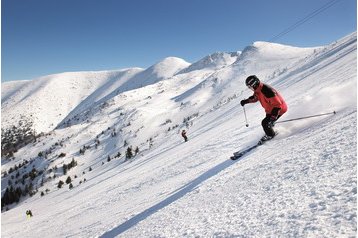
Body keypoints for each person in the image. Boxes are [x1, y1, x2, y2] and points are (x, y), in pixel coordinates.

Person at [240, 75, 287, 142]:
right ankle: (270, 130)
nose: (250, 88)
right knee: (267, 123)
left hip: (279, 109)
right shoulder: (258, 90)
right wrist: (246, 101)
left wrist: (273, 118)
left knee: (265, 123)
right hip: (270, 110)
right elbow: (255, 98)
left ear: (255, 84)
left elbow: (277, 105)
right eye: (249, 87)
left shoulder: (267, 91)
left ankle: (270, 135)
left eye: (250, 86)